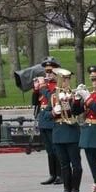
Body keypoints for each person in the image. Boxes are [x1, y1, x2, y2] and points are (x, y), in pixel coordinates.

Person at [50, 69, 83, 192]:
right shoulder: (53, 96)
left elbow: (78, 111)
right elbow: (46, 114)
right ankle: (66, 189)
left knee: (75, 163)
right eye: (62, 79)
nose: (65, 82)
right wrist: (53, 112)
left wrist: (75, 101)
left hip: (71, 132)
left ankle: (75, 189)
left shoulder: (73, 95)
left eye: (67, 79)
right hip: (58, 132)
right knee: (64, 164)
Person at [34, 57, 60, 185]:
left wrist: (43, 88)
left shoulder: (57, 85)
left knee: (56, 149)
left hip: (52, 118)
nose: (48, 74)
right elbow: (36, 103)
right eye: (46, 71)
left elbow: (52, 99)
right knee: (49, 149)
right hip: (43, 118)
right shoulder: (43, 85)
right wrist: (35, 90)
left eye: (50, 71)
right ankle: (52, 174)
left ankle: (60, 175)